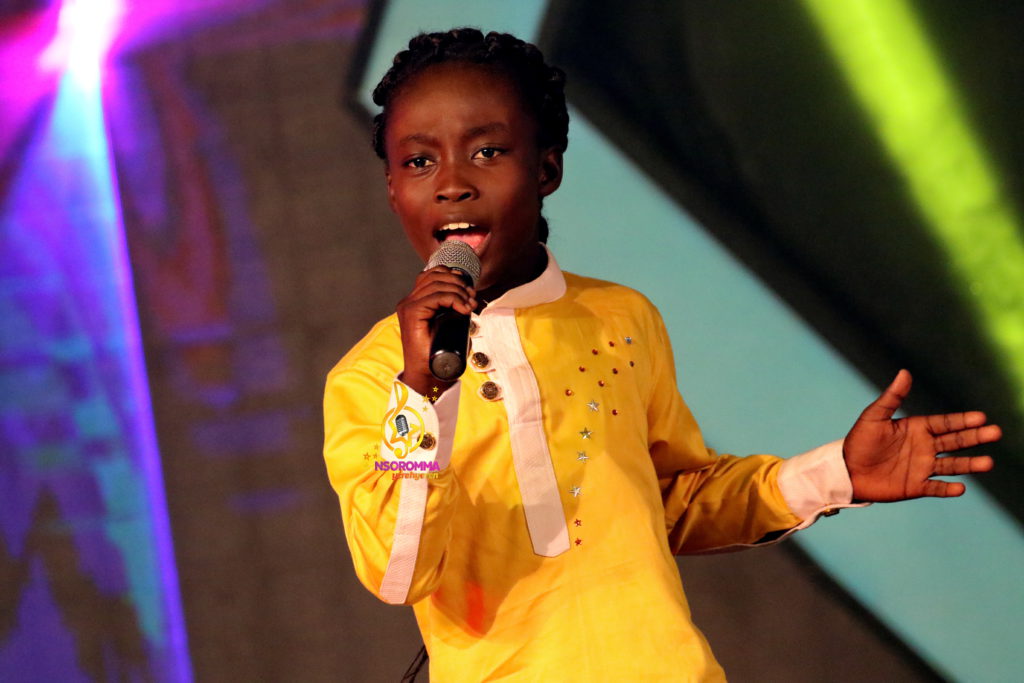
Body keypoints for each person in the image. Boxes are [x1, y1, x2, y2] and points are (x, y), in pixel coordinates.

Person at [322, 28, 1000, 681]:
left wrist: (837, 474)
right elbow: (398, 572)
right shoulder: (370, 377)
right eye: (419, 162)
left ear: (546, 168)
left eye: (487, 151)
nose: (452, 183)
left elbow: (670, 500)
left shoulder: (620, 318)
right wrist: (422, 391)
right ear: (392, 190)